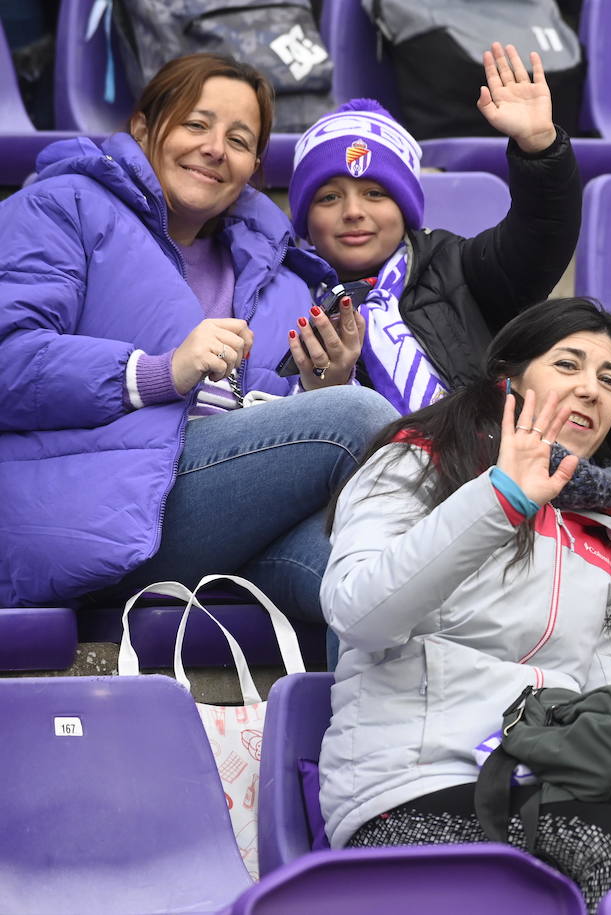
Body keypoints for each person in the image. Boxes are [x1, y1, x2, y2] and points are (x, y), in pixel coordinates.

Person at [319, 298, 611, 911]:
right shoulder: (416, 460)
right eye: (569, 365)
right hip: (408, 787)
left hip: (546, 773)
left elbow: (588, 689)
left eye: (610, 381)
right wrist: (499, 499)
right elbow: (358, 612)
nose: (591, 390)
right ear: (509, 376)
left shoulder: (599, 523)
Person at [0, 53, 396, 621]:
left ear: (253, 166)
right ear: (142, 127)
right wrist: (157, 372)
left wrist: (322, 385)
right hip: (92, 508)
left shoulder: (283, 276)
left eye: (238, 140)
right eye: (195, 124)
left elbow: (283, 429)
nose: (214, 148)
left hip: (233, 518)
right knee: (359, 417)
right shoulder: (61, 207)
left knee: (384, 579)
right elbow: (9, 361)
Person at [287, 42, 580, 414]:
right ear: (304, 219)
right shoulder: (284, 295)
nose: (353, 212)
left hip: (478, 462)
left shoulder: (457, 267)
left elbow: (542, 234)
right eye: (329, 198)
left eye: (375, 193)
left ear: (405, 208)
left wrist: (540, 148)